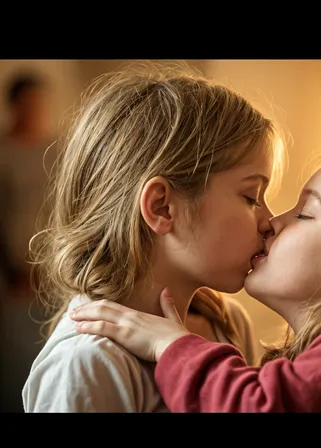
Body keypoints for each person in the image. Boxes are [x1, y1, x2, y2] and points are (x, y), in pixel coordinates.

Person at [71, 148, 321, 413]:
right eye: (251, 198)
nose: (271, 222)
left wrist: (170, 344)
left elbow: (255, 406)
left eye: (304, 214)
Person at [22, 63, 285, 412]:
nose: (269, 221)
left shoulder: (228, 325)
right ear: (162, 207)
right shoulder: (87, 364)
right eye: (251, 197)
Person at [0, 70, 57, 413]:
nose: (35, 111)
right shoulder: (3, 154)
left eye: (40, 104)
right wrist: (13, 272)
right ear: (13, 107)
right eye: (28, 105)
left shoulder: (58, 148)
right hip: (16, 279)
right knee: (19, 359)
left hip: (56, 272)